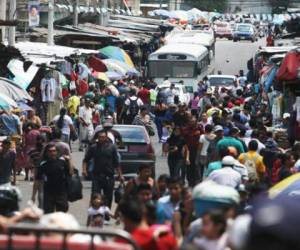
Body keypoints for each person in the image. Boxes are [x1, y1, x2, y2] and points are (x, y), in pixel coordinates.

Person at [82, 130, 122, 208]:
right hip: (97, 176)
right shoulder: (93, 148)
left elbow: (116, 163)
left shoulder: (112, 147)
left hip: (109, 176)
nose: (101, 139)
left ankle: (106, 213)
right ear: (97, 138)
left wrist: (120, 175)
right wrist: (84, 170)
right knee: (95, 196)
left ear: (106, 137)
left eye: (103, 137)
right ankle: (95, 213)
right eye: (100, 137)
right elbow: (86, 160)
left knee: (108, 197)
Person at [35, 143, 73, 213]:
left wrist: (69, 160)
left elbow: (71, 172)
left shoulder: (62, 162)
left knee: (62, 213)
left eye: (54, 151)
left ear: (57, 152)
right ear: (46, 153)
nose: (52, 153)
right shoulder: (43, 165)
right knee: (48, 215)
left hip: (61, 192)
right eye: (50, 151)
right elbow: (37, 180)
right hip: (49, 193)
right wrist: (33, 195)